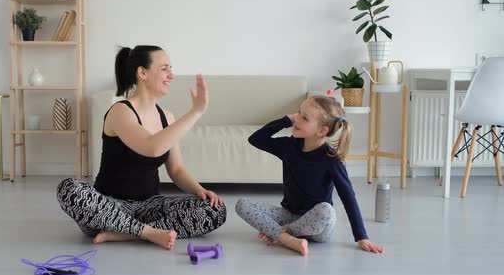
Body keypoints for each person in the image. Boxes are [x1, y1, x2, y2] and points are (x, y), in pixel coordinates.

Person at [57, 45, 226, 250]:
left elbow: (177, 169)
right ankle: (147, 232)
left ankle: (126, 234)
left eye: (171, 68)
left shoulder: (167, 117)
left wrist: (200, 191)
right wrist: (195, 112)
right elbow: (151, 147)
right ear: (142, 72)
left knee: (215, 209)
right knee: (69, 189)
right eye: (164, 68)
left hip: (149, 206)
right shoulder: (120, 112)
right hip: (109, 208)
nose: (171, 75)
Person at [235, 95, 383, 255]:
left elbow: (348, 196)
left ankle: (282, 234)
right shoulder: (289, 146)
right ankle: (289, 239)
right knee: (242, 204)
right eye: (298, 113)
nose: (296, 119)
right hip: (289, 215)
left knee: (326, 210)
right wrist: (286, 119)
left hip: (317, 227)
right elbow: (256, 139)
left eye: (304, 118)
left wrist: (362, 237)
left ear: (322, 131)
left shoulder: (331, 159)